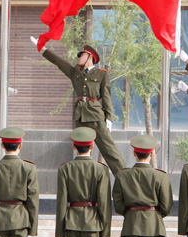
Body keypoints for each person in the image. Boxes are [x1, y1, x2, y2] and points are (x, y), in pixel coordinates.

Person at [31, 36, 125, 176]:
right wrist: (42, 48)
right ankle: (83, 180)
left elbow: (106, 96)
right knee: (81, 152)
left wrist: (109, 118)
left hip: (96, 116)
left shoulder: (101, 75)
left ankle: (125, 178)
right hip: (80, 115)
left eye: (82, 55)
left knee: (109, 150)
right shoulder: (75, 72)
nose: (79, 57)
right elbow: (58, 62)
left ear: (90, 57)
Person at [113, 135, 173, 237]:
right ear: (152, 153)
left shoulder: (122, 175)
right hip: (154, 226)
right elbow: (166, 206)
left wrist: (131, 213)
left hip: (132, 225)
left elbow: (118, 205)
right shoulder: (160, 176)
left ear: (134, 153)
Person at [55, 127, 112, 237]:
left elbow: (61, 203)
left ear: (74, 146)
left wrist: (60, 231)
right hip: (93, 224)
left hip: (71, 222)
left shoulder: (65, 169)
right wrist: (104, 230)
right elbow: (104, 203)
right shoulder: (101, 169)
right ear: (92, 146)